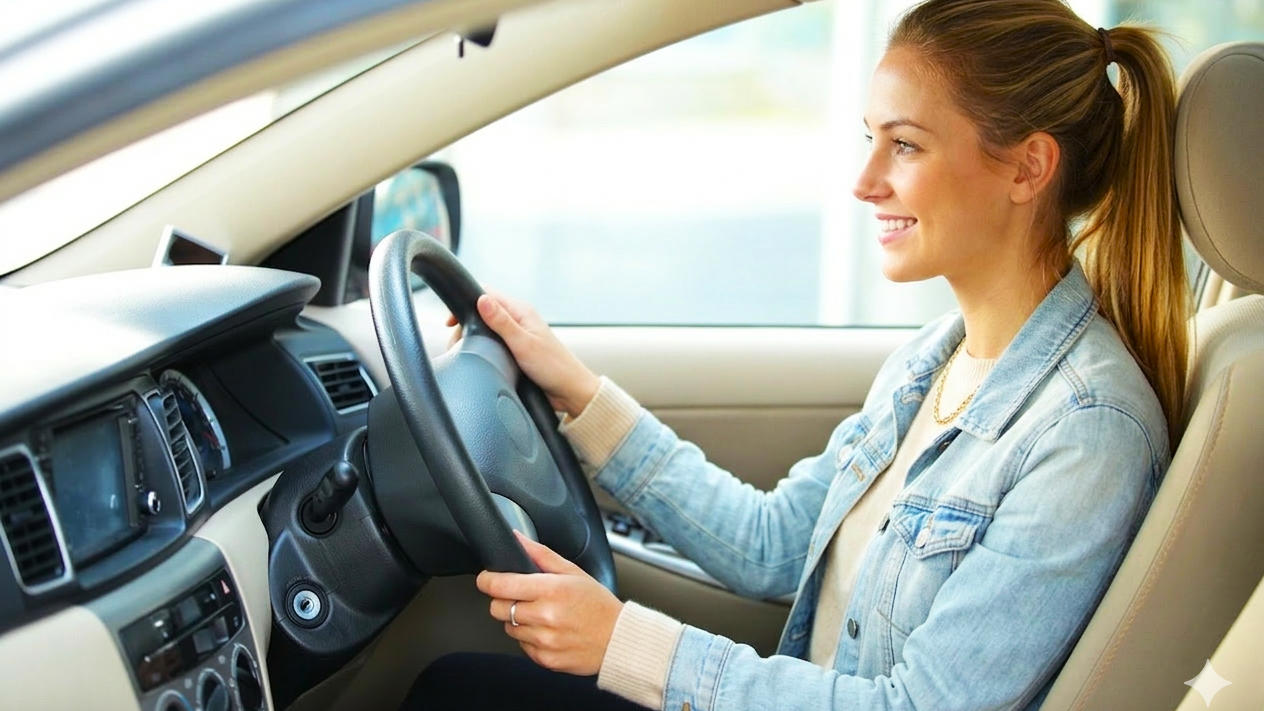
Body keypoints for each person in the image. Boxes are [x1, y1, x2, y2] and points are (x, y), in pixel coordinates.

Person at [402, 0, 1189, 708]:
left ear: (1028, 167)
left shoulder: (1088, 431)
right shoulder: (933, 360)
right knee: (453, 684)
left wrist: (624, 643)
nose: (864, 180)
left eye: (905, 146)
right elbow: (774, 541)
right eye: (869, 140)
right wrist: (575, 389)